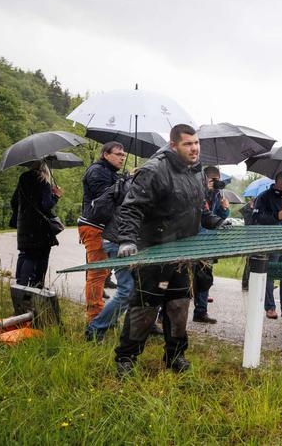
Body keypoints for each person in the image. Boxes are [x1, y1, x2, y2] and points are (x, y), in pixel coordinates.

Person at [106, 124, 229, 377]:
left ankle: (175, 356)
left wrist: (216, 221)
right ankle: (126, 359)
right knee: (145, 307)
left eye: (196, 143)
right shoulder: (155, 170)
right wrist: (127, 239)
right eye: (188, 144)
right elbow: (131, 208)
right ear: (173, 145)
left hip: (182, 254)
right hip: (154, 251)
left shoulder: (196, 171)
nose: (194, 148)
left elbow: (198, 208)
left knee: (179, 306)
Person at [77, 141, 126, 323]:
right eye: (118, 154)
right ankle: (94, 316)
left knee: (103, 271)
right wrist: (126, 181)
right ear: (106, 154)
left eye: (123, 154)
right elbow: (105, 199)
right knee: (97, 272)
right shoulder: (97, 171)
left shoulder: (110, 172)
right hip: (93, 225)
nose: (122, 157)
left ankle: (100, 313)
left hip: (103, 227)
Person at [251, 171, 282, 320]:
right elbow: (256, 217)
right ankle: (270, 307)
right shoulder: (264, 197)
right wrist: (275, 217)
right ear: (280, 181)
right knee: (270, 276)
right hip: (270, 243)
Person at [9, 160, 62, 288]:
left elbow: (14, 201)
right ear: (46, 167)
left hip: (24, 224)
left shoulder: (23, 178)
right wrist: (56, 196)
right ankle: (37, 285)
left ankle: (20, 285)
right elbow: (46, 205)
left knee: (26, 254)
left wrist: (23, 215)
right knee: (41, 255)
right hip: (40, 226)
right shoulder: (42, 180)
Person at [192, 166, 231, 325]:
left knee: (205, 278)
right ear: (204, 178)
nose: (215, 183)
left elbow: (216, 218)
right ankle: (163, 313)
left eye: (217, 179)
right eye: (212, 179)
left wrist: (224, 209)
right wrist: (204, 189)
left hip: (208, 242)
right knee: (182, 278)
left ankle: (201, 311)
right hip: (192, 239)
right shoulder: (194, 190)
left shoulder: (216, 194)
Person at [239, 197, 255, 291]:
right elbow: (249, 223)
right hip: (250, 239)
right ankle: (245, 284)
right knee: (249, 261)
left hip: (255, 238)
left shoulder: (251, 209)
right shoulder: (247, 210)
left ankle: (250, 283)